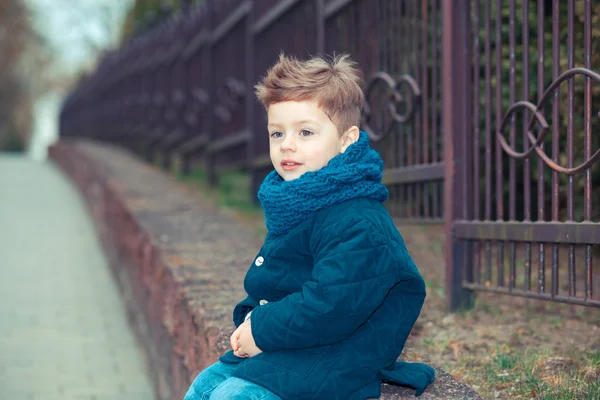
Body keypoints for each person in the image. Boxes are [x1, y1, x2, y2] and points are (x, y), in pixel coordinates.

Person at [184, 53, 434, 400]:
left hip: (337, 357)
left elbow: (331, 304)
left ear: (346, 140)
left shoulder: (358, 222)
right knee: (204, 387)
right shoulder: (301, 200)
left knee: (234, 397)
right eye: (277, 133)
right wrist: (250, 321)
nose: (287, 144)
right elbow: (279, 281)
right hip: (293, 348)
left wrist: (261, 328)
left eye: (305, 132)